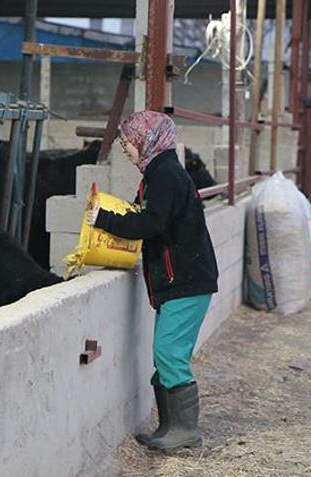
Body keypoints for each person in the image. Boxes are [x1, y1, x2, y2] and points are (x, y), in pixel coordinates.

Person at [86, 111, 219, 451]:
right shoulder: (157, 173)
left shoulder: (166, 176)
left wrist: (104, 219)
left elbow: (151, 224)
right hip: (178, 280)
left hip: (187, 280)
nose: (125, 148)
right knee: (165, 354)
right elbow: (145, 217)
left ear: (145, 140)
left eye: (127, 141)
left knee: (169, 353)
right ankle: (169, 427)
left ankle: (186, 430)